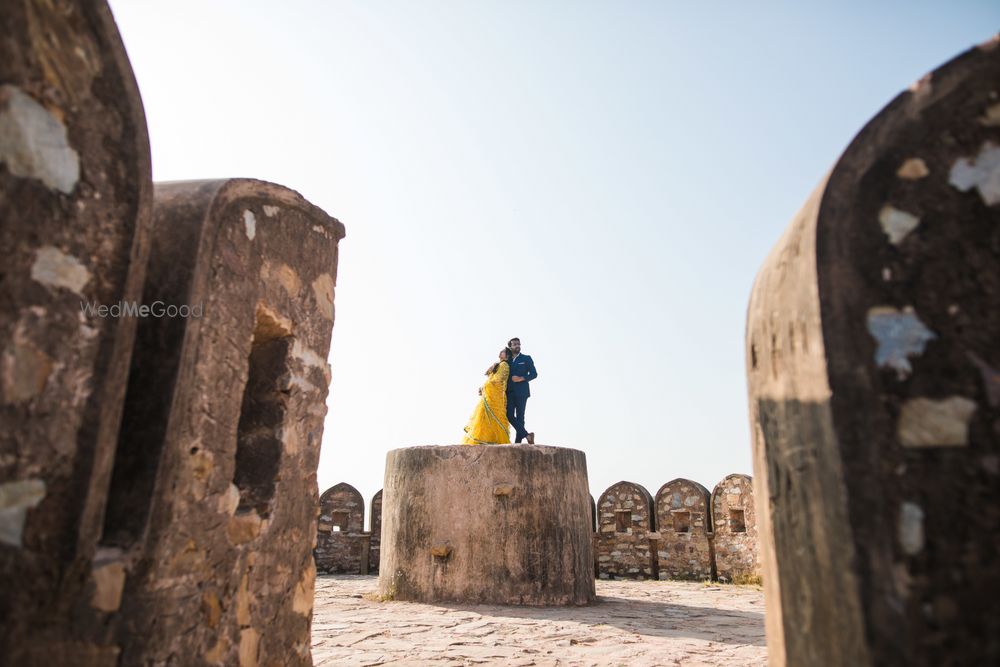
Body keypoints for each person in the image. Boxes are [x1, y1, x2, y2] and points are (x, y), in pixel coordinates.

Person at [462, 349, 511, 445]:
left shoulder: (504, 365)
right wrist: (482, 387)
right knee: (484, 416)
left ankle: (493, 440)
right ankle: (484, 439)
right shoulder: (497, 365)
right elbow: (490, 379)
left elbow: (497, 380)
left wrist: (485, 387)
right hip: (489, 395)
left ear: (507, 356)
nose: (500, 352)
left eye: (503, 352)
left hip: (495, 397)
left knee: (494, 417)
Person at [505, 337, 538, 444]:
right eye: (514, 344)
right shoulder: (507, 361)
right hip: (509, 392)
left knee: (520, 417)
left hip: (522, 392)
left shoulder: (526, 358)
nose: (517, 346)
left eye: (518, 344)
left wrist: (521, 378)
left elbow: (534, 374)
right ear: (510, 347)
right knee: (509, 415)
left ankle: (518, 442)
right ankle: (527, 435)